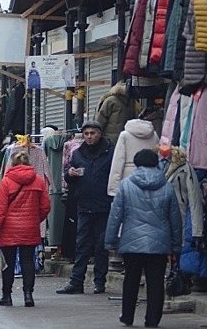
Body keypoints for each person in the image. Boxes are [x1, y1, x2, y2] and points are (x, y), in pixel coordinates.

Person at [105, 149, 182, 328]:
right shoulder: (167, 186)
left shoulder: (126, 185)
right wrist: (176, 244)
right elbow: (175, 219)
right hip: (160, 243)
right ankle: (152, 320)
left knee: (131, 279)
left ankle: (127, 316)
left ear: (137, 164)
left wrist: (110, 242)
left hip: (132, 241)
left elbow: (115, 216)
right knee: (155, 282)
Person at [57, 120, 114, 295]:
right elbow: (67, 174)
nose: (89, 137)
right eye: (86, 133)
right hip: (83, 205)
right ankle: (76, 282)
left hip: (104, 206)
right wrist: (70, 174)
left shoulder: (109, 152)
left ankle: (99, 282)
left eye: (93, 133)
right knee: (81, 245)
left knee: (101, 246)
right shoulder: (78, 154)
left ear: (100, 134)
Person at [0, 150, 50, 307]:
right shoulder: (38, 181)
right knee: (28, 261)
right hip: (30, 228)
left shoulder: (7, 182)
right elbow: (46, 207)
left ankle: (6, 296)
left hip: (9, 230)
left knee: (7, 263)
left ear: (13, 163)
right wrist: (35, 220)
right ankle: (28, 295)